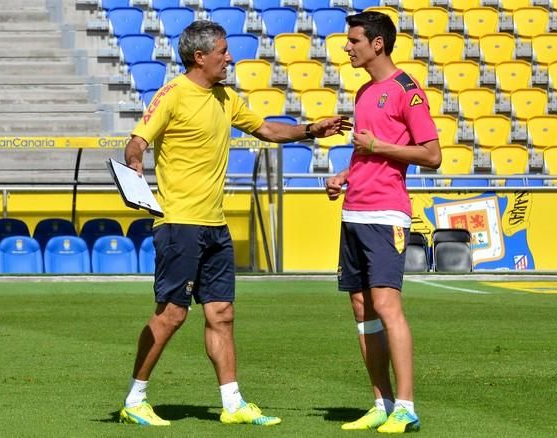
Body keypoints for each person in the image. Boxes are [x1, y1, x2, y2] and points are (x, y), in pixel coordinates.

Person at [119, 20, 351, 427]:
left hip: (215, 225)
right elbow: (137, 140)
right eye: (223, 51)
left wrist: (311, 130)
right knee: (172, 314)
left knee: (222, 313)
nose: (230, 57)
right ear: (200, 56)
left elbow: (265, 129)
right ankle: (135, 399)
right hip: (179, 224)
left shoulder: (225, 97)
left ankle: (233, 403)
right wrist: (136, 161)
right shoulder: (172, 93)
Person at [325, 12, 441, 434]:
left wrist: (380, 145)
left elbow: (432, 155)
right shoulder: (363, 91)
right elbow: (365, 154)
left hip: (386, 214)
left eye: (353, 40)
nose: (347, 47)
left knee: (388, 305)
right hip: (354, 210)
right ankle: (382, 402)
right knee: (361, 307)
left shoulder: (407, 92)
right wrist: (345, 176)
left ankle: (406, 407)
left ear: (377, 44)